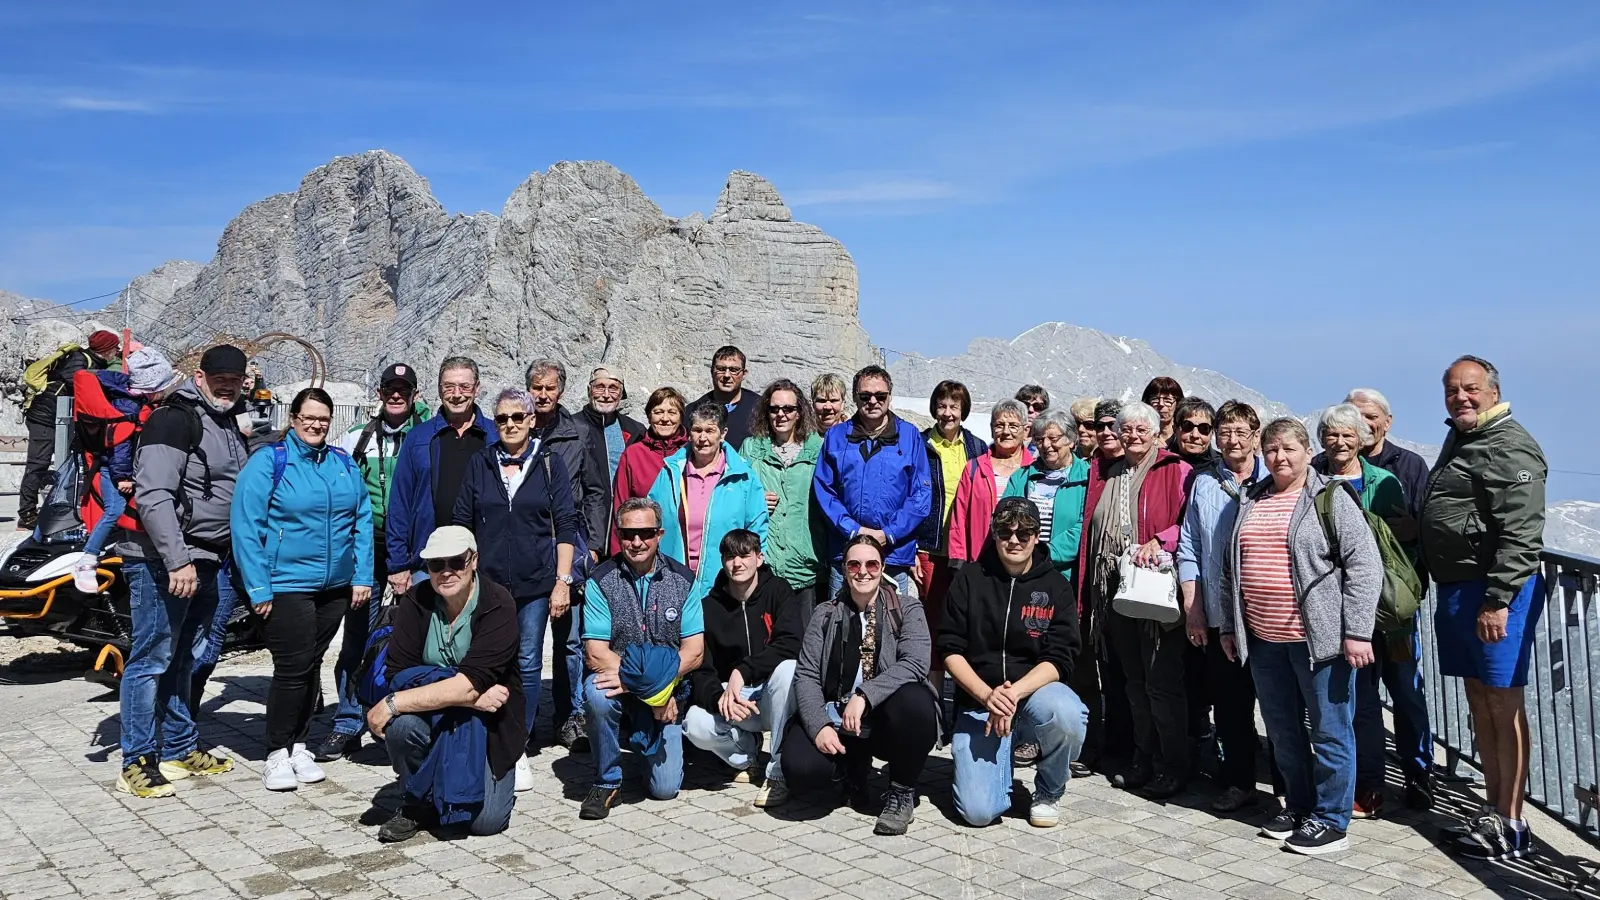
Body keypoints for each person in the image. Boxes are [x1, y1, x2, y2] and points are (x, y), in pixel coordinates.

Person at [1220, 417, 1381, 856]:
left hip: (1320, 642)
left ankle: (1332, 820)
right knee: (1281, 729)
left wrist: (1357, 633)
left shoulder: (1329, 498)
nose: (1280, 457)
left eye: (1289, 448)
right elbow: (1228, 567)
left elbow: (1365, 566)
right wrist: (1231, 627)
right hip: (1264, 639)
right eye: (1272, 450)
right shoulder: (1252, 498)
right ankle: (1301, 804)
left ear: (1308, 452)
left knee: (1330, 730)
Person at [1421, 356, 1547, 860]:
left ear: (1493, 391)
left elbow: (1521, 532)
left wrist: (1498, 599)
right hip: (1461, 589)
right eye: (1452, 390)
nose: (1461, 398)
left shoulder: (1508, 444)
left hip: (1495, 594)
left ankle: (1513, 823)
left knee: (1503, 702)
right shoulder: (1464, 439)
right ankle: (1494, 811)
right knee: (1480, 700)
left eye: (1471, 389)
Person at [113, 344, 250, 799]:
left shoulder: (226, 419)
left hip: (208, 558)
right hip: (164, 561)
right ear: (199, 374)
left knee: (186, 657)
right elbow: (153, 495)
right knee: (151, 658)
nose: (227, 385)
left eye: (235, 378)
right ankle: (137, 760)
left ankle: (179, 747)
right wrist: (177, 560)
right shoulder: (173, 419)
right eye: (219, 377)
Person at [232, 387, 374, 791]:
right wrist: (258, 587)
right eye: (308, 417)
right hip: (285, 584)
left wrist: (361, 575)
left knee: (311, 664)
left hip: (334, 586)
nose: (316, 425)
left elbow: (361, 519)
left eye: (323, 419)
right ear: (293, 418)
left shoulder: (342, 464)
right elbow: (246, 525)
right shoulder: (269, 462)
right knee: (293, 667)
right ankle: (276, 752)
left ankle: (298, 745)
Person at [452, 388, 581, 792]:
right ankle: (481, 733)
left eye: (517, 417)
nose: (510, 424)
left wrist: (562, 582)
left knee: (526, 660)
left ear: (530, 420)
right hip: (486, 584)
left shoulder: (549, 463)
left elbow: (566, 525)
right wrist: (463, 578)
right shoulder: (481, 463)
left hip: (535, 584)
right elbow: (462, 521)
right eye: (503, 418)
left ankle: (518, 745)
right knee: (483, 658)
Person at [365, 526, 522, 843]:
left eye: (456, 562)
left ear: (473, 560)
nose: (446, 572)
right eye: (436, 564)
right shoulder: (416, 600)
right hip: (440, 713)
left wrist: (391, 703)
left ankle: (462, 781)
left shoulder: (498, 603)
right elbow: (399, 674)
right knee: (402, 728)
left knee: (486, 823)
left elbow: (460, 685)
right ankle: (416, 804)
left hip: (490, 722)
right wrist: (467, 695)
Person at [1311, 403, 1429, 818]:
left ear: (1362, 439)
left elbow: (1399, 552)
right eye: (1332, 434)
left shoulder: (1384, 482)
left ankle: (1372, 785)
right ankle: (1339, 781)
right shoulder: (1310, 476)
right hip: (1322, 606)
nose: (1340, 442)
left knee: (1367, 700)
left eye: (1348, 435)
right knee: (1337, 699)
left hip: (1375, 608)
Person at [942, 498, 1087, 828]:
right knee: (978, 813)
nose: (1015, 540)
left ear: (1037, 537)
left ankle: (1048, 791)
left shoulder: (1056, 587)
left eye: (1025, 533)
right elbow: (949, 649)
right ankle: (997, 762)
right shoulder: (968, 579)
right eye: (1005, 531)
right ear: (994, 533)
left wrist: (1012, 695)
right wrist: (987, 696)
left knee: (1066, 713)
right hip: (980, 702)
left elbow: (1060, 658)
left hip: (1032, 697)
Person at [783, 535, 939, 836]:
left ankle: (901, 792)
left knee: (916, 702)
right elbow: (806, 675)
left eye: (872, 564)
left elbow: (916, 663)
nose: (863, 571)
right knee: (801, 769)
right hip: (838, 716)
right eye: (854, 564)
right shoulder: (825, 613)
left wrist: (865, 695)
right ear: (844, 568)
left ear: (882, 568)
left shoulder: (906, 609)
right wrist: (818, 726)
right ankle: (850, 769)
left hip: (887, 718)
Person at [1078, 401, 1191, 798]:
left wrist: (1162, 540)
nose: (1133, 435)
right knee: (1133, 682)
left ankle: (1172, 763)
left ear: (1158, 432)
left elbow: (1188, 521)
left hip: (1156, 592)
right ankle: (1143, 757)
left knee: (1162, 683)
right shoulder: (1109, 473)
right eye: (1127, 429)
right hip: (1115, 593)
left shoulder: (1174, 469)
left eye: (1143, 429)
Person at [319, 362, 430, 762]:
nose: (396, 395)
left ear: (415, 394)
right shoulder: (357, 439)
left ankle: (407, 714)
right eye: (389, 388)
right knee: (358, 636)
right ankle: (348, 720)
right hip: (368, 549)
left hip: (417, 550)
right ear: (380, 393)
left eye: (404, 388)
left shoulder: (428, 437)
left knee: (416, 637)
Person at [578, 498, 705, 820]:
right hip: (621, 681)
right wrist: (651, 690)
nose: (637, 542)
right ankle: (607, 781)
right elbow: (596, 652)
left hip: (668, 691)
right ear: (618, 535)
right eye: (628, 534)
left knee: (664, 790)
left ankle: (651, 741)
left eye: (646, 533)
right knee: (595, 693)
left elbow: (694, 653)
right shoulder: (599, 581)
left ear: (659, 534)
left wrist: (659, 692)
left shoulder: (684, 580)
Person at [1178, 400, 1271, 813]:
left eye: (1241, 432)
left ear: (1256, 435)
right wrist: (1193, 608)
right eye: (1225, 432)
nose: (1232, 440)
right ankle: (1239, 782)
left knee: (1279, 705)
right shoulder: (1203, 484)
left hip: (1269, 614)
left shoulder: (1278, 478)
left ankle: (1288, 785)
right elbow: (1189, 547)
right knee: (1231, 706)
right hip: (1218, 613)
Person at [684, 529, 804, 808]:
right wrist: (718, 698)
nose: (736, 563)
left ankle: (777, 771)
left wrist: (742, 671)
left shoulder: (779, 591)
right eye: (729, 557)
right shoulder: (708, 607)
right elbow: (702, 668)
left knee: (789, 669)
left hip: (774, 696)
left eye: (744, 555)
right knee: (695, 724)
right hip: (735, 699)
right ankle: (747, 755)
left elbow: (791, 643)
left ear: (759, 558)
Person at [526, 358, 608, 749]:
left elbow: (594, 491)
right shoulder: (514, 427)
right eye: (537, 388)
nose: (543, 395)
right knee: (524, 636)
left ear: (561, 391)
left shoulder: (577, 433)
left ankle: (569, 714)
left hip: (569, 543)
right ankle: (522, 717)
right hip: (526, 542)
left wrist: (592, 546)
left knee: (570, 639)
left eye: (550, 388)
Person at [813, 365, 931, 595]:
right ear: (856, 398)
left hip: (893, 556)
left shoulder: (910, 436)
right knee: (843, 626)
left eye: (880, 395)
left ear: (890, 397)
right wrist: (852, 530)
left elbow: (921, 494)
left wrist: (888, 534)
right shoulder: (836, 437)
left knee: (892, 625)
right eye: (865, 396)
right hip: (847, 554)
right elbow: (824, 490)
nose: (873, 401)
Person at [71, 347, 181, 591]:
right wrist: (123, 476)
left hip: (116, 467)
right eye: (162, 387)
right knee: (115, 509)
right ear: (151, 387)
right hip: (114, 469)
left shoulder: (130, 397)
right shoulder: (129, 408)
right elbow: (120, 445)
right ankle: (87, 559)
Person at [387, 357, 497, 592]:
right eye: (449, 386)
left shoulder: (495, 436)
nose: (457, 394)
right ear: (439, 389)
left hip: (484, 563)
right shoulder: (418, 438)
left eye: (465, 387)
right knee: (428, 628)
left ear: (477, 389)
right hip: (428, 565)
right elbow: (400, 503)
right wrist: (398, 564)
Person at [646, 402, 769, 602]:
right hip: (671, 580)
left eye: (710, 430)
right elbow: (650, 519)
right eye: (697, 430)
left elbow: (757, 529)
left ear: (723, 434)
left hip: (724, 582)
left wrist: (749, 575)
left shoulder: (743, 477)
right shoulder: (670, 472)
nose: (703, 438)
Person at [914, 380, 987, 695]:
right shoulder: (919, 445)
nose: (947, 414)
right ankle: (934, 700)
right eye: (942, 406)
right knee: (932, 622)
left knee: (965, 623)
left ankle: (964, 698)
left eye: (953, 407)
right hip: (930, 548)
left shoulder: (977, 448)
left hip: (968, 550)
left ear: (963, 411)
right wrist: (911, 551)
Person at [20, 329, 121, 531]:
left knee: (71, 463)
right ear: (106, 349)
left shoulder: (93, 362)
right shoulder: (78, 359)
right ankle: (27, 513)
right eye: (115, 347)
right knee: (38, 463)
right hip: (44, 418)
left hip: (64, 420)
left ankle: (64, 507)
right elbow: (77, 382)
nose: (117, 351)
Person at [740, 379, 825, 615]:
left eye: (788, 409)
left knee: (805, 639)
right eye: (774, 409)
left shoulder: (818, 450)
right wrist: (753, 502)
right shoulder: (751, 449)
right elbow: (732, 497)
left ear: (799, 413)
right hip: (763, 561)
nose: (781, 415)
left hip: (806, 562)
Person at [1002, 408, 1090, 577]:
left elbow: (1084, 526)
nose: (1046, 445)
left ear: (1071, 440)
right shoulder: (1021, 477)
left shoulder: (1087, 478)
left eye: (1053, 438)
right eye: (1040, 439)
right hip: (1021, 568)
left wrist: (1045, 555)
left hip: (1065, 573)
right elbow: (1004, 517)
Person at [947, 399, 1034, 566]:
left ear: (1026, 430)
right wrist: (957, 560)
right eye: (999, 425)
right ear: (992, 429)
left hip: (1021, 559)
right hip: (980, 558)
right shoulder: (974, 468)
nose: (1006, 432)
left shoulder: (1034, 470)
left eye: (1013, 426)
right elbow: (959, 518)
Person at [611, 387, 688, 552]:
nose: (665, 419)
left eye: (672, 412)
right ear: (649, 416)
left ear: (681, 417)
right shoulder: (633, 454)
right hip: (641, 543)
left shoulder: (692, 451)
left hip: (685, 543)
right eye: (658, 412)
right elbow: (620, 503)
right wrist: (618, 552)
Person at [577, 365, 645, 540]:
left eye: (613, 388)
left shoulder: (635, 430)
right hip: (583, 527)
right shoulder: (571, 428)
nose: (606, 395)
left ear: (622, 394)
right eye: (599, 387)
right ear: (588, 390)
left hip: (624, 528)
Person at [691, 345, 760, 448]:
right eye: (721, 369)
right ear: (712, 371)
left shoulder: (759, 407)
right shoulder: (694, 410)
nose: (727, 375)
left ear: (744, 374)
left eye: (733, 369)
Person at [1172, 397, 1220, 471]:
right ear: (1175, 429)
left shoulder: (1223, 468)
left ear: (1212, 433)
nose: (1195, 435)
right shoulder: (1160, 462)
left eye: (1204, 428)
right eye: (1187, 426)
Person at [1141, 377, 1184, 447]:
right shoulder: (1141, 436)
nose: (1161, 404)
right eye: (1155, 399)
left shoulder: (1184, 435)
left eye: (1167, 400)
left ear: (1178, 403)